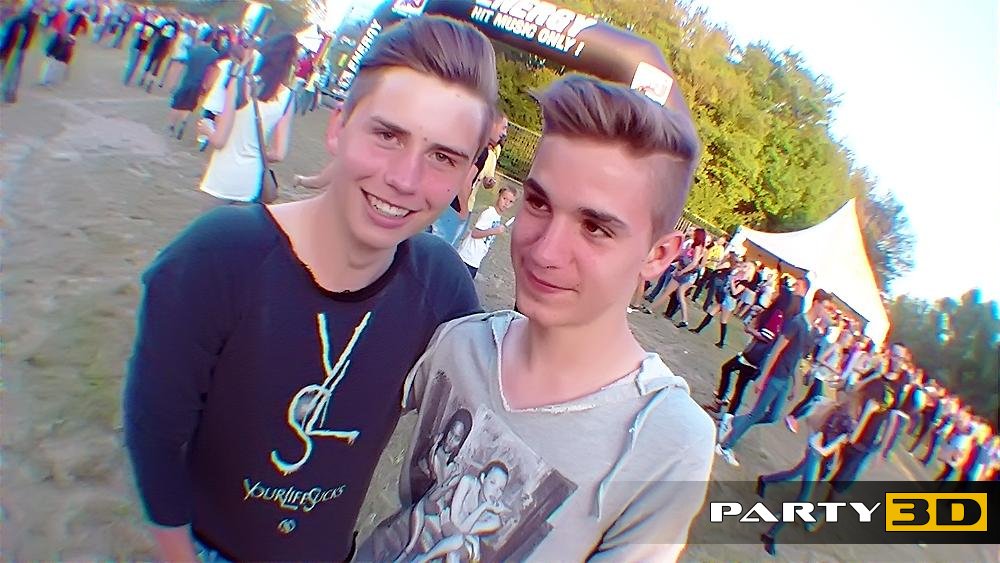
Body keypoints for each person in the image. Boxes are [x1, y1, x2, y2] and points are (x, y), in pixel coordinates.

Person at [123, 16, 497, 561]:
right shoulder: (219, 258)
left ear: (466, 176)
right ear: (338, 126)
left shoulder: (441, 287)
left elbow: (510, 407)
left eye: (442, 156)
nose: (405, 178)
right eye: (387, 135)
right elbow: (155, 432)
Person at [359, 74, 714, 562]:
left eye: (595, 227)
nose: (545, 251)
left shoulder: (666, 441)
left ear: (658, 255)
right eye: (539, 203)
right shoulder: (459, 344)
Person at [716, 285, 832, 467]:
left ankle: (735, 422)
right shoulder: (797, 322)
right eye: (826, 307)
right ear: (816, 303)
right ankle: (725, 445)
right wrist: (763, 377)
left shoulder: (811, 330)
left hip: (785, 379)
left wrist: (795, 385)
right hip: (776, 374)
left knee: (773, 416)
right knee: (756, 413)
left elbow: (798, 357)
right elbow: (777, 350)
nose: (827, 312)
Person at [196, 35, 296, 205]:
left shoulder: (240, 83)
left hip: (222, 176)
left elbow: (219, 140)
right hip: (250, 181)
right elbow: (279, 154)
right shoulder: (288, 97)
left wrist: (207, 130)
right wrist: (255, 153)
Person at [757, 391, 856, 557]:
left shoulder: (838, 412)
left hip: (816, 453)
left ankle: (765, 480)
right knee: (803, 499)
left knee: (793, 474)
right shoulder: (844, 419)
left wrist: (820, 447)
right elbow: (832, 443)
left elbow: (824, 435)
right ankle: (771, 534)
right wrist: (824, 449)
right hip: (817, 455)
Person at [165, 31, 218, 139]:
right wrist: (206, 86)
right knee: (189, 106)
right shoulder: (214, 55)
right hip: (198, 84)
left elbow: (183, 65)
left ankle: (172, 126)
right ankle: (183, 122)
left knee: (177, 105)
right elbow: (211, 71)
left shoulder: (193, 50)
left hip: (187, 80)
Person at [649, 227, 706, 328]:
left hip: (687, 274)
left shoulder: (698, 248)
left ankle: (684, 320)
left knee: (677, 294)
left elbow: (694, 263)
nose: (692, 234)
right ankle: (651, 308)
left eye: (694, 233)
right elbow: (684, 257)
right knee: (671, 293)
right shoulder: (694, 246)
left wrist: (683, 271)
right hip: (682, 271)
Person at [456, 186, 518, 278]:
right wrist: (494, 231)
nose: (506, 203)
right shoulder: (489, 213)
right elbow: (475, 233)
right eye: (504, 198)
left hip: (475, 261)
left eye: (510, 201)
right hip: (466, 258)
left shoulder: (497, 217)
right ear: (499, 196)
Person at [690, 259, 753, 348]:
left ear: (749, 270)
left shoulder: (744, 282)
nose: (742, 267)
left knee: (723, 321)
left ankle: (722, 342)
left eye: (745, 266)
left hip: (730, 301)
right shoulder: (738, 276)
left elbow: (735, 293)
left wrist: (732, 281)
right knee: (711, 313)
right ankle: (698, 330)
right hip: (724, 298)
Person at [0, 0, 40, 104]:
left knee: (11, 70)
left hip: (14, 47)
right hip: (12, 46)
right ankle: (9, 94)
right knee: (11, 70)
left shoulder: (25, 14)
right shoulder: (26, 13)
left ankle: (8, 94)